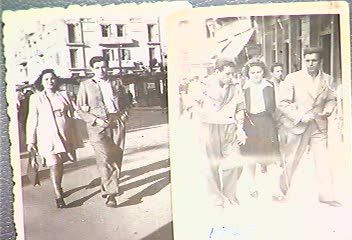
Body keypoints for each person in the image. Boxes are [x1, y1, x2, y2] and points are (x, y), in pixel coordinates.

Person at [278, 47, 341, 207]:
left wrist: (329, 108)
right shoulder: (293, 78)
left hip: (319, 126)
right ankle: (280, 191)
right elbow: (283, 103)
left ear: (320, 62)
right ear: (303, 60)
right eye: (307, 60)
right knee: (291, 160)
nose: (310, 64)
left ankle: (327, 196)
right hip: (298, 125)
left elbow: (331, 98)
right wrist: (300, 116)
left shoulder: (327, 79)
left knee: (323, 161)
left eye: (314, 60)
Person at [76, 56, 128, 208]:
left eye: (104, 66)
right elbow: (79, 109)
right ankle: (111, 194)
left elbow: (126, 101)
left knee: (116, 156)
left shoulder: (116, 82)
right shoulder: (85, 85)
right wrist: (95, 120)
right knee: (105, 159)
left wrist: (124, 116)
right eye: (97, 67)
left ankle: (109, 188)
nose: (101, 70)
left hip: (116, 121)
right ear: (92, 69)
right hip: (97, 125)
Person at [193, 59, 246, 207]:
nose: (231, 77)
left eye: (233, 74)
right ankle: (216, 199)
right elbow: (193, 104)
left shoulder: (235, 86)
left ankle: (229, 193)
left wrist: (240, 128)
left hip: (229, 127)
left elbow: (240, 108)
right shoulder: (204, 85)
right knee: (211, 165)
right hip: (209, 127)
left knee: (236, 161)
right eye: (228, 74)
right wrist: (203, 116)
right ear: (217, 72)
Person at [26, 69, 81, 208]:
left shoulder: (64, 95)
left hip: (64, 133)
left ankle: (58, 185)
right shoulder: (36, 98)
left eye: (52, 78)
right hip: (46, 135)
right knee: (54, 162)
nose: (50, 81)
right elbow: (32, 119)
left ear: (56, 80)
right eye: (46, 79)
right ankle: (58, 195)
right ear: (41, 82)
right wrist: (30, 141)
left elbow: (74, 111)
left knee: (60, 163)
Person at [240, 60, 283, 200]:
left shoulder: (270, 86)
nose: (256, 75)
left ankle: (275, 190)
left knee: (270, 158)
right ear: (248, 74)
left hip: (266, 122)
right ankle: (252, 187)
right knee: (251, 158)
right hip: (250, 123)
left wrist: (278, 124)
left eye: (259, 72)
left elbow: (276, 106)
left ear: (263, 72)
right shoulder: (243, 87)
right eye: (252, 73)